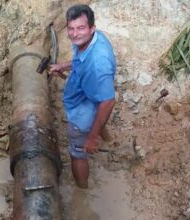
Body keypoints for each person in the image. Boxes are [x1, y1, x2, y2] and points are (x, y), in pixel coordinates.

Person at [49, 4, 116, 188]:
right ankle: (109, 139)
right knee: (100, 106)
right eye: (71, 28)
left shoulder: (98, 65)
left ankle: (82, 191)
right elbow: (81, 60)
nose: (75, 34)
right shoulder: (94, 39)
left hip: (83, 112)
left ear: (92, 28)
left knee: (77, 154)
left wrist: (92, 138)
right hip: (90, 94)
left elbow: (108, 102)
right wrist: (63, 66)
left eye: (80, 28)